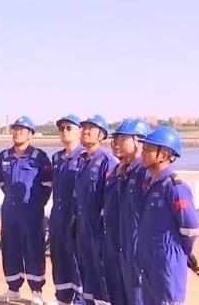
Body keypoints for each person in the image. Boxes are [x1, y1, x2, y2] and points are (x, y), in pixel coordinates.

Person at [136, 126, 199, 305]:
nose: (143, 153)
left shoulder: (175, 187)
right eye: (143, 148)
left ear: (163, 155)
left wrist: (180, 251)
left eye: (148, 149)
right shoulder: (151, 184)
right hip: (149, 260)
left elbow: (190, 227)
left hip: (167, 260)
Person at [0, 116, 53, 305]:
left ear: (30, 134)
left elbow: (47, 185)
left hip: (32, 212)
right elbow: (2, 183)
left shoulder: (40, 158)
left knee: (33, 249)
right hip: (10, 212)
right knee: (10, 248)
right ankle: (13, 289)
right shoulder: (4, 157)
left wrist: (36, 203)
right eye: (15, 129)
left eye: (22, 129)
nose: (17, 132)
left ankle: (37, 291)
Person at [104, 118, 151, 305]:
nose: (116, 144)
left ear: (139, 141)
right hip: (116, 246)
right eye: (115, 139)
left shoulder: (144, 173)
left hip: (135, 250)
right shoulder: (118, 172)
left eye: (122, 139)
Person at [73, 114, 116, 305]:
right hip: (83, 226)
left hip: (99, 228)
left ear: (102, 135)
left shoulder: (107, 161)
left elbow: (111, 197)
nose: (86, 131)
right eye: (84, 127)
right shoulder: (82, 160)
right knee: (85, 270)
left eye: (91, 128)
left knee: (101, 274)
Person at [47, 114, 86, 305]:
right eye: (61, 128)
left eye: (69, 128)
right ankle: (62, 297)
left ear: (79, 131)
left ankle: (79, 300)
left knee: (77, 261)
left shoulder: (85, 158)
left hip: (76, 217)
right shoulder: (56, 158)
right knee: (59, 257)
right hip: (58, 215)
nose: (64, 131)